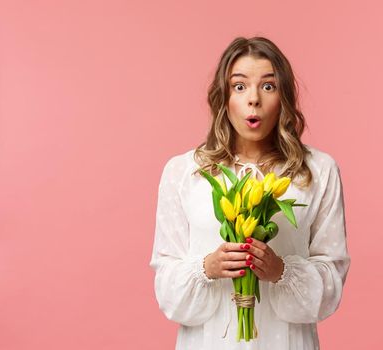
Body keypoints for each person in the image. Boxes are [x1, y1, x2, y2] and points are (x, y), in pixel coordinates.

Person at [150, 36, 350, 349]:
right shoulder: (184, 173)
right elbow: (167, 289)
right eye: (240, 86)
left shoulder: (317, 170)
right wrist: (208, 268)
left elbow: (332, 283)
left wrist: (281, 270)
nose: (253, 99)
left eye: (268, 86)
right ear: (223, 96)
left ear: (283, 97)